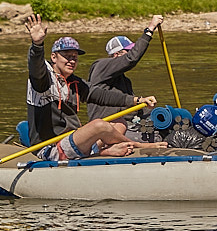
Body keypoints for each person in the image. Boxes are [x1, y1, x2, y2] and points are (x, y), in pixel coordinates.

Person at [24, 14, 165, 161]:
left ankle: (102, 151)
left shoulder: (74, 83)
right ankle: (136, 145)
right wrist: (37, 45)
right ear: (54, 57)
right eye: (67, 56)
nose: (72, 60)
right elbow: (36, 68)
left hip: (71, 140)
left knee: (120, 123)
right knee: (99, 125)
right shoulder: (42, 80)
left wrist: (137, 100)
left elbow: (101, 95)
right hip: (50, 149)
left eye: (75, 57)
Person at [87, 15, 165, 137]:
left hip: (128, 124)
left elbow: (133, 106)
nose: (131, 53)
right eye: (127, 51)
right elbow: (132, 58)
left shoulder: (125, 81)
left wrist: (155, 112)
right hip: (107, 127)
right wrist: (150, 29)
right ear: (117, 54)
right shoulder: (101, 66)